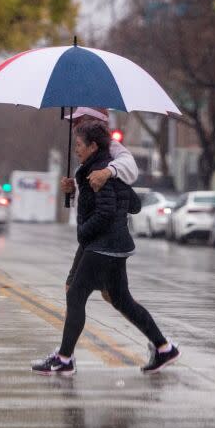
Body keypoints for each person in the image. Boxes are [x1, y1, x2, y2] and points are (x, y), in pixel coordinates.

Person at [31, 120, 179, 376]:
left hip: (103, 245)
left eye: (79, 144)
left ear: (93, 146)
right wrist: (76, 189)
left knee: (76, 294)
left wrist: (83, 231)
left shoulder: (99, 170)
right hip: (115, 245)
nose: (76, 149)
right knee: (122, 300)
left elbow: (106, 211)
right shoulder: (100, 169)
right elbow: (132, 203)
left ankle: (65, 358)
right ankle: (163, 347)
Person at [60, 107, 139, 304]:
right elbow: (88, 198)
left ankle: (150, 331)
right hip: (95, 234)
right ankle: (149, 331)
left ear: (91, 121)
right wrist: (72, 192)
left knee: (81, 290)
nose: (74, 126)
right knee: (103, 294)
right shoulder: (86, 151)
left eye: (78, 121)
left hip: (104, 235)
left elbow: (130, 167)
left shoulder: (111, 146)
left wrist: (108, 172)